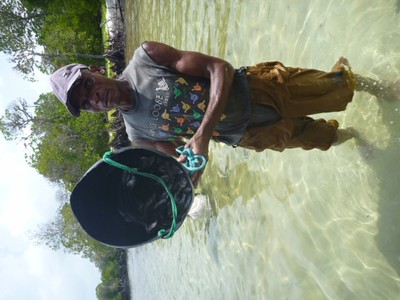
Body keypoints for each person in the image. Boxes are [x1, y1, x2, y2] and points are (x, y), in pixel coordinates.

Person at [50, 41, 398, 185]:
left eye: (86, 86)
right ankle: (358, 136)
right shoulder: (138, 134)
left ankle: (375, 86)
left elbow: (220, 68)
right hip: (247, 136)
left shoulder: (147, 58)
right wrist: (184, 190)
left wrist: (201, 135)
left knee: (339, 89)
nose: (94, 97)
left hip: (261, 90)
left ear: (94, 71)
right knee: (325, 138)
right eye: (86, 103)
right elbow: (186, 164)